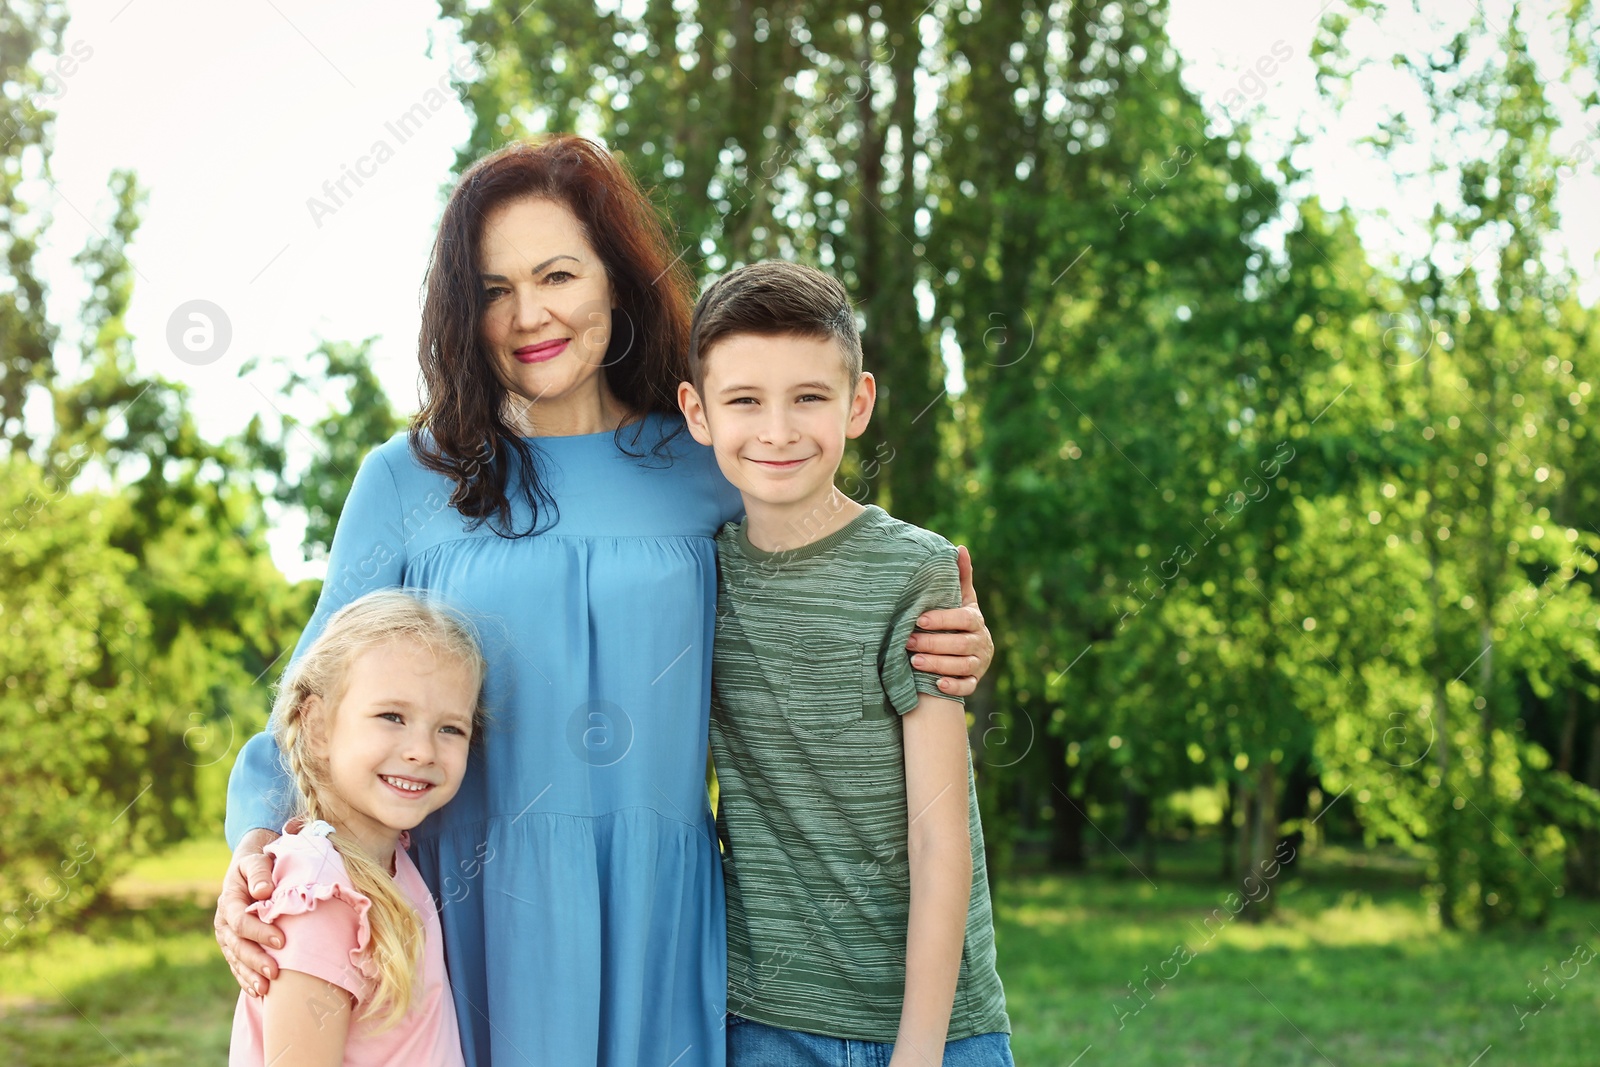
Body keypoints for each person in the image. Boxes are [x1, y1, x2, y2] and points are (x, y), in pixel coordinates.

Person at [213, 135, 996, 1067]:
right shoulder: (407, 479)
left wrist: (950, 632)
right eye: (495, 289)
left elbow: (838, 569)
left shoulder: (705, 457)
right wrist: (255, 845)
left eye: (556, 275)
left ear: (617, 280)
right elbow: (312, 691)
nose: (528, 314)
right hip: (472, 909)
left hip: (661, 911)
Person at [677, 261, 1013, 1066]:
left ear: (858, 402)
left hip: (939, 1022)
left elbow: (942, 837)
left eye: (809, 397)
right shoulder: (693, 573)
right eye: (745, 400)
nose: (778, 430)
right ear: (698, 412)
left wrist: (919, 1049)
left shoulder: (915, 572)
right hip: (766, 1017)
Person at [229, 589, 486, 1067]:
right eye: (393, 716)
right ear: (319, 727)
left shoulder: (392, 866)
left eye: (451, 728)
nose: (423, 751)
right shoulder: (319, 893)